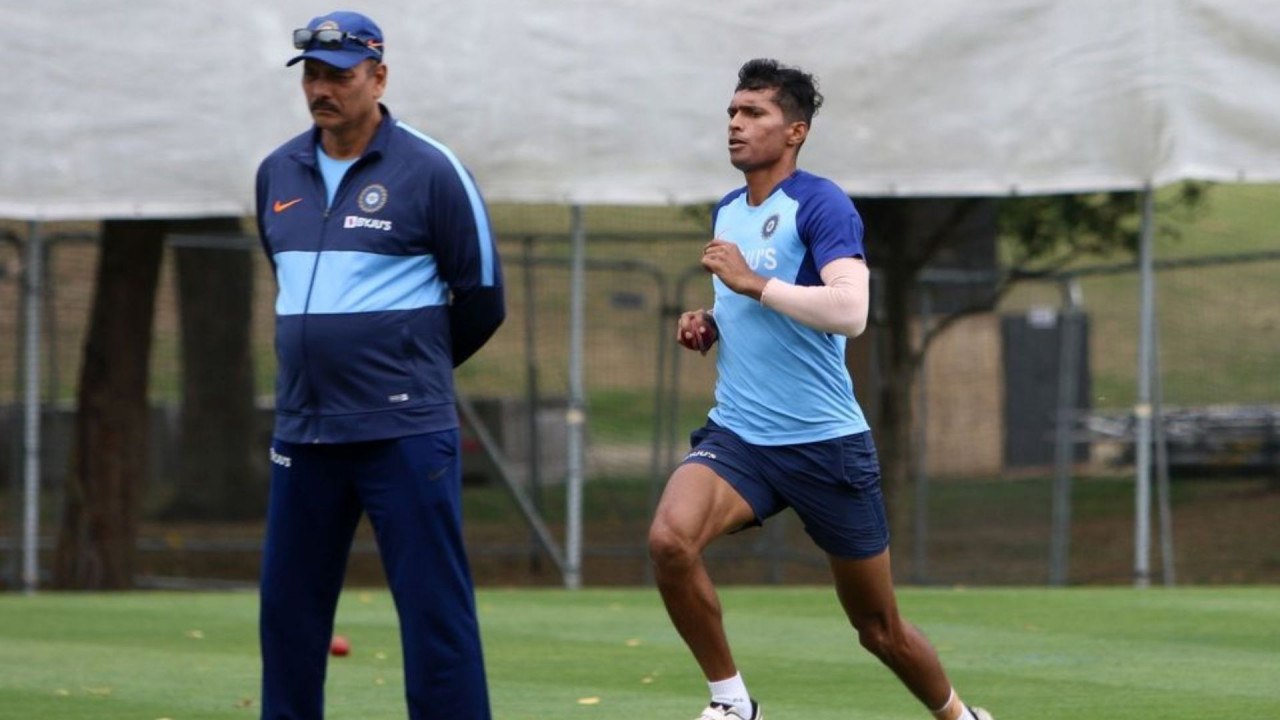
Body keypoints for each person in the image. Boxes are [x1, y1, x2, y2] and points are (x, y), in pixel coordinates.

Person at [648, 58, 993, 720]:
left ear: (796, 131)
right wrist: (712, 320)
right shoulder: (728, 210)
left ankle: (958, 716)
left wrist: (751, 284)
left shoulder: (822, 204)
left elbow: (849, 311)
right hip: (741, 437)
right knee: (670, 540)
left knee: (878, 630)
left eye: (754, 113)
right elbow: (750, 302)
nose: (735, 124)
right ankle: (732, 703)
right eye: (732, 112)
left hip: (824, 446)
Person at [254, 11, 503, 720]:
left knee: (434, 612)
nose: (321, 89)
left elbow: (482, 298)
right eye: (312, 74)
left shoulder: (432, 169)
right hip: (305, 431)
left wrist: (407, 373)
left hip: (404, 432)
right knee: (288, 612)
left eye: (339, 75)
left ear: (379, 77)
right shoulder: (277, 171)